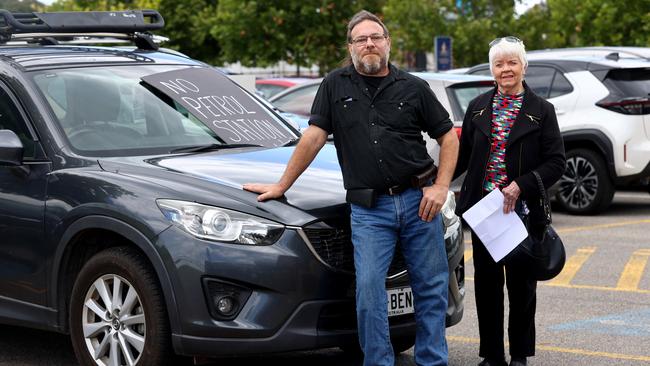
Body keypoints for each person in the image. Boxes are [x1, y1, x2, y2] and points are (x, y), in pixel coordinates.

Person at [243, 10, 458, 366]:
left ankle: (432, 361)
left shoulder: (414, 87)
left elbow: (448, 137)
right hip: (371, 211)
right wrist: (282, 184)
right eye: (361, 39)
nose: (369, 44)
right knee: (369, 293)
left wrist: (441, 187)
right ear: (351, 46)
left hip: (421, 202)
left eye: (376, 37)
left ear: (388, 43)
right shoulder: (334, 85)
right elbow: (313, 138)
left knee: (431, 289)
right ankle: (378, 361)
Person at [454, 37, 566, 366]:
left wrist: (522, 185)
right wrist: (435, 180)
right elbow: (463, 158)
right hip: (485, 213)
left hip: (523, 213)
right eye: (500, 64)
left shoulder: (542, 111)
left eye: (512, 63)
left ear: (523, 67)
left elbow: (557, 162)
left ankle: (519, 355)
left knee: (521, 289)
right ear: (492, 70)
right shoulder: (477, 106)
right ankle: (491, 355)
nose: (506, 70)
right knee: (487, 289)